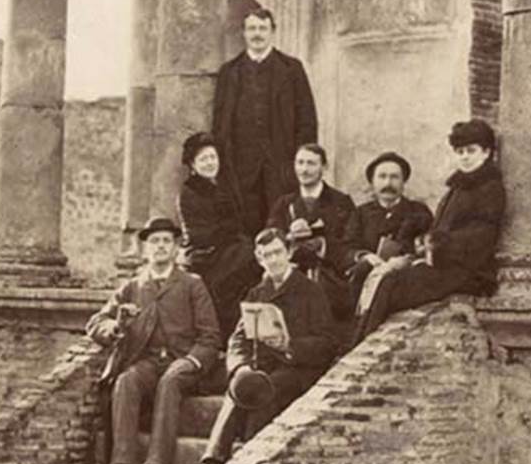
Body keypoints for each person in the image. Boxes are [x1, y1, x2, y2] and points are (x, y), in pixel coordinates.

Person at [191, 227, 338, 464]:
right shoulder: (257, 293)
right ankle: (210, 463)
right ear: (259, 260)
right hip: (263, 367)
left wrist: (290, 345)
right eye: (266, 255)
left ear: (289, 253)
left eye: (278, 252)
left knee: (262, 391)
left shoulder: (311, 291)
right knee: (239, 388)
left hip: (298, 369)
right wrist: (240, 367)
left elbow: (327, 343)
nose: (274, 260)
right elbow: (237, 340)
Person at [86, 217, 221, 464]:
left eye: (166, 241)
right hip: (147, 362)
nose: (160, 246)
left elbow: (211, 336)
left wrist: (191, 360)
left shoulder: (192, 284)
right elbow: (95, 323)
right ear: (146, 248)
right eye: (155, 241)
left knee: (170, 381)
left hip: (183, 363)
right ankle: (122, 463)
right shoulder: (133, 287)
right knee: (126, 380)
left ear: (175, 248)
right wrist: (115, 326)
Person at [352, 119, 506, 344]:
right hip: (449, 266)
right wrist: (421, 245)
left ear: (486, 152)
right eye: (460, 151)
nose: (465, 157)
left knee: (392, 285)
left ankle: (362, 341)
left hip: (470, 272)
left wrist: (435, 244)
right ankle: (359, 342)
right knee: (387, 279)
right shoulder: (459, 186)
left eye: (471, 151)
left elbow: (482, 235)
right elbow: (440, 229)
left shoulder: (489, 188)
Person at [212, 8, 318, 235]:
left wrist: (302, 162)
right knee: (245, 227)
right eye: (252, 28)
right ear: (243, 33)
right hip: (241, 167)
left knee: (283, 225)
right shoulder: (229, 72)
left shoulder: (292, 68)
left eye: (262, 28)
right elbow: (219, 123)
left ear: (272, 32)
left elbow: (307, 119)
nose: (257, 34)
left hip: (281, 164)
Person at [177, 131, 260, 338]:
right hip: (203, 253)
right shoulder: (189, 191)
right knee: (244, 261)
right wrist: (232, 235)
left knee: (250, 258)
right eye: (203, 159)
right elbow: (199, 232)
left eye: (213, 157)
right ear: (193, 165)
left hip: (226, 248)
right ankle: (222, 335)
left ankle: (240, 332)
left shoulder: (222, 187)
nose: (210, 163)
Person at [266, 143, 355, 318]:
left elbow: (349, 241)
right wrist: (287, 236)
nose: (304, 170)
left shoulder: (341, 202)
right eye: (300, 163)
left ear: (324, 167)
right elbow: (269, 238)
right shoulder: (284, 203)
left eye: (311, 163)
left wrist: (321, 244)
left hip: (329, 273)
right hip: (290, 270)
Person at [343, 151, 434, 310]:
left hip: (406, 281)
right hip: (367, 282)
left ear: (403, 182)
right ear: (372, 182)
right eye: (382, 177)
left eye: (394, 177)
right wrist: (365, 256)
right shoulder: (361, 213)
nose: (388, 183)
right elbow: (347, 248)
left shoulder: (419, 211)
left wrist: (408, 259)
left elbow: (429, 246)